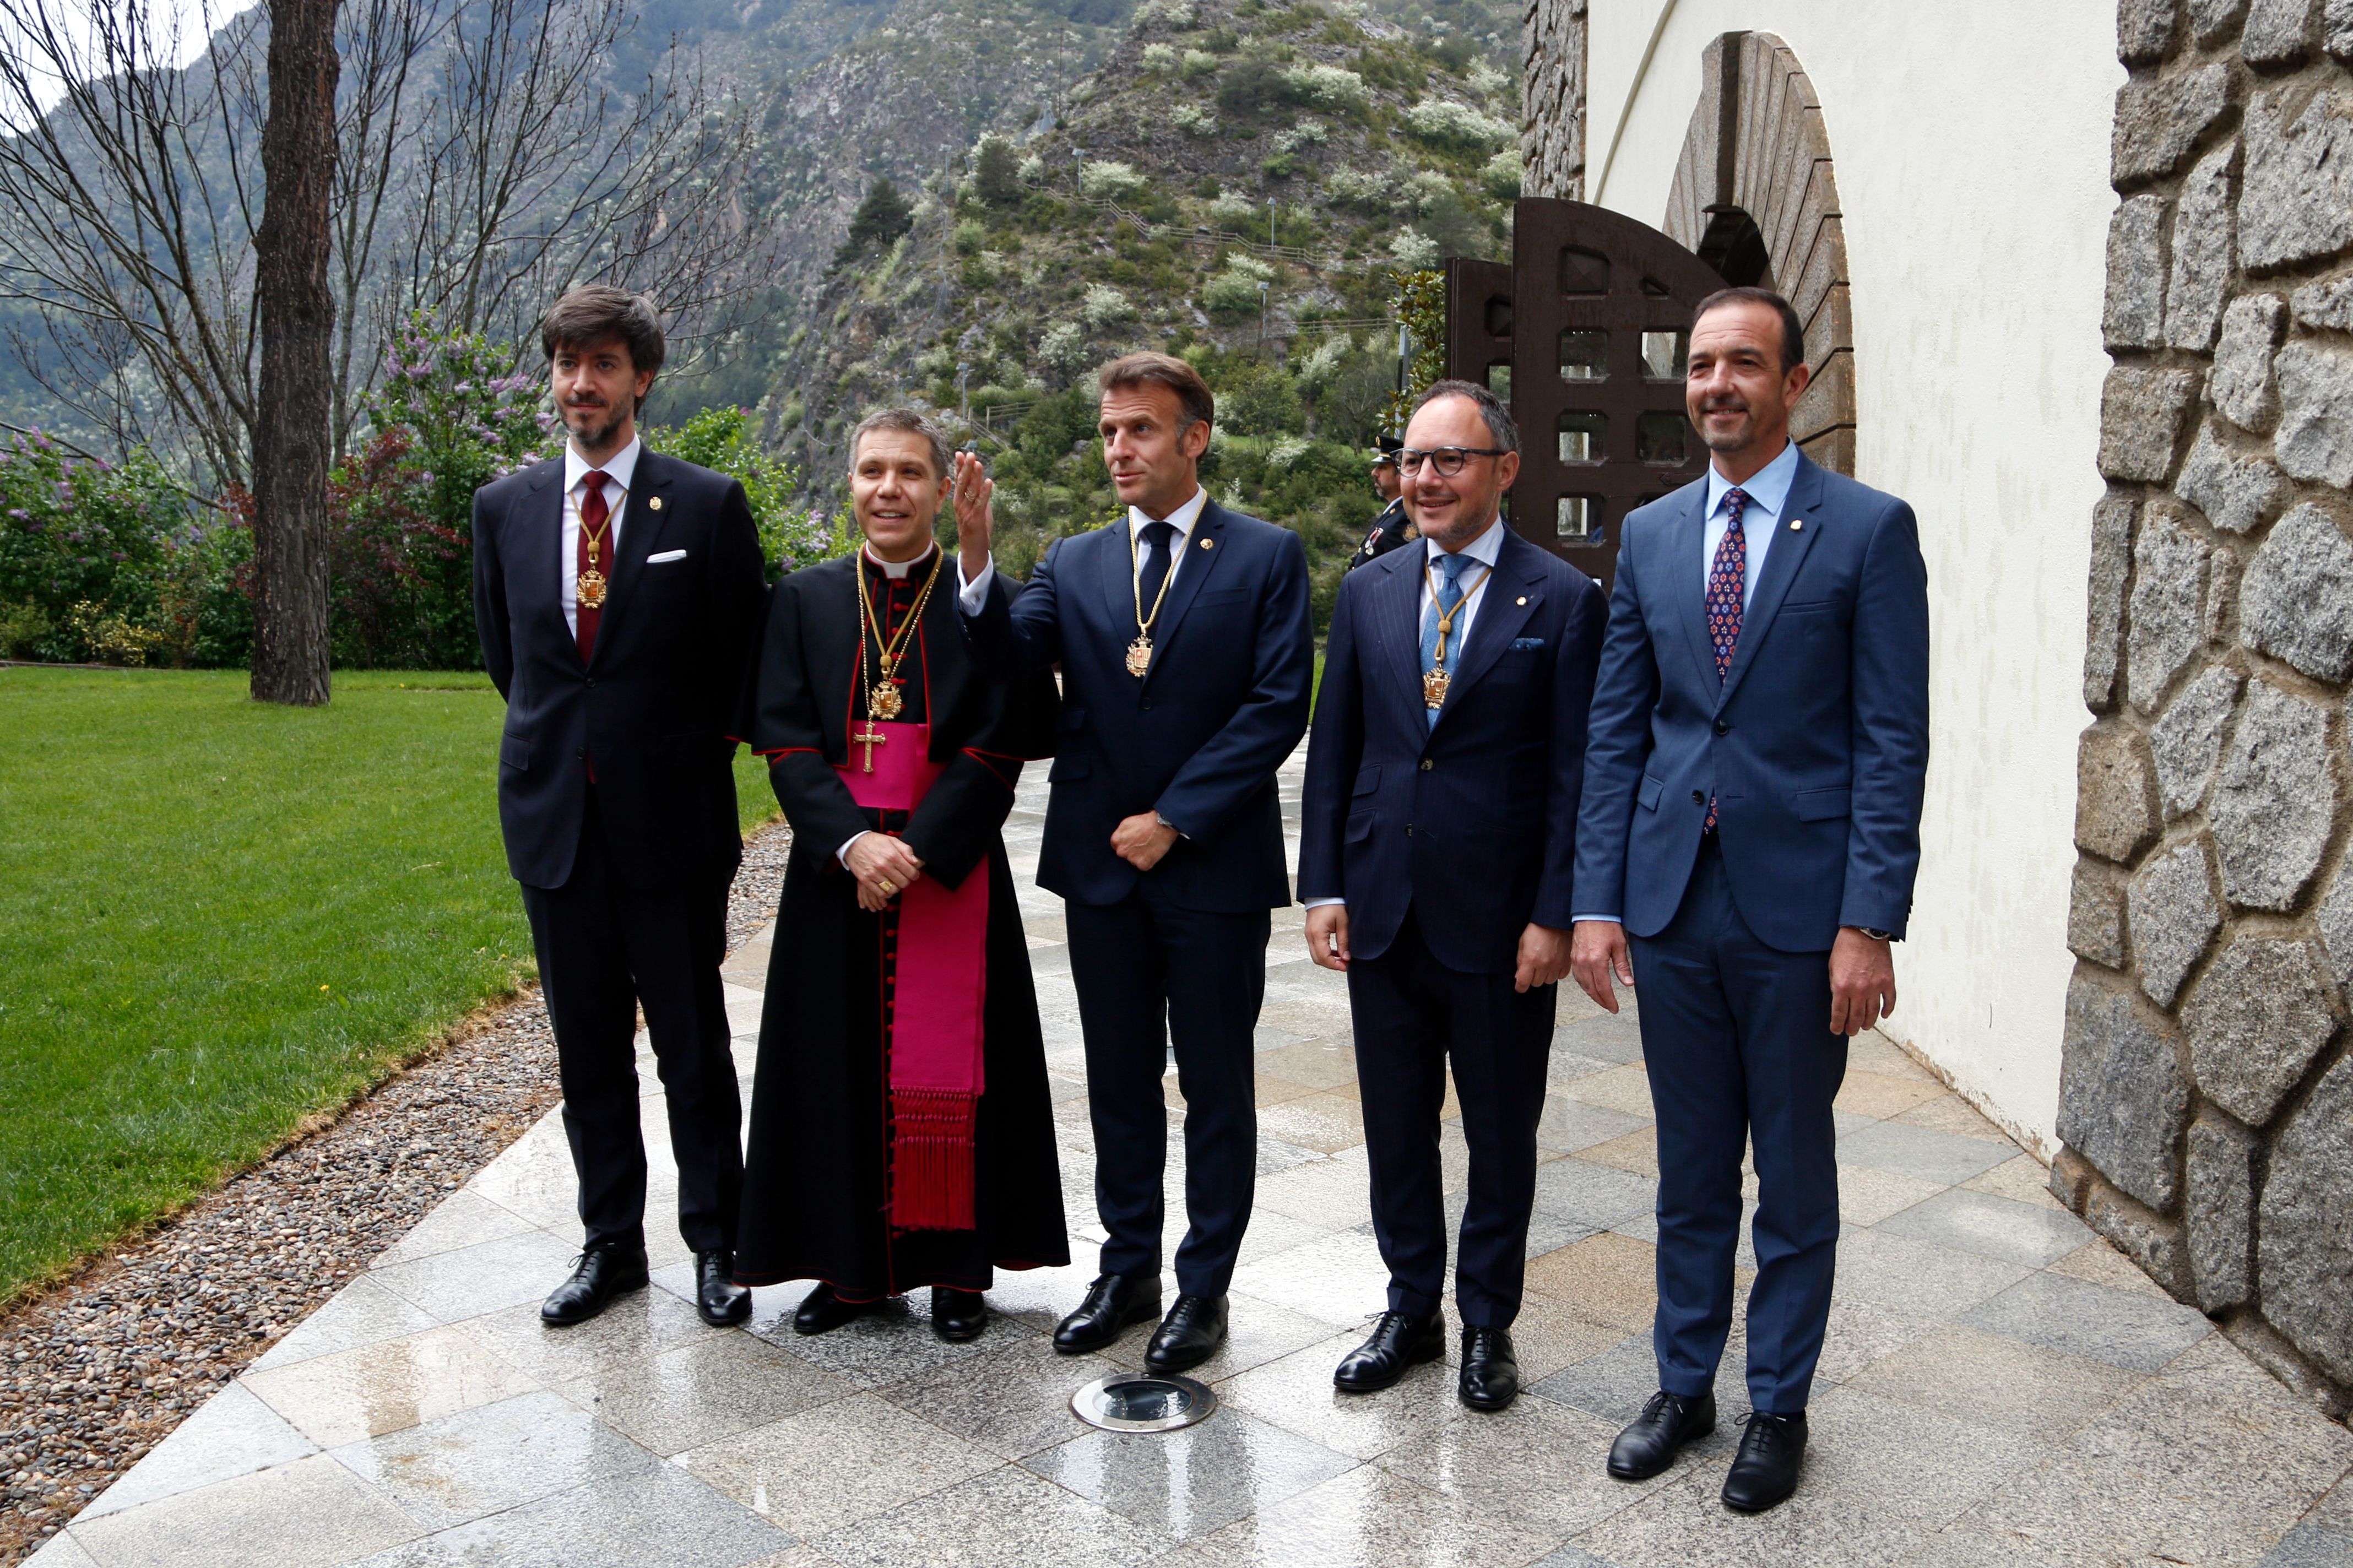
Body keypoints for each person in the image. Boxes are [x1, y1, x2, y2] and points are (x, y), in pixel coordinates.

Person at [1570, 286, 1929, 1512]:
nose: (1717, 383)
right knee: (1687, 1168)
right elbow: (1618, 732)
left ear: (1795, 383)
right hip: (1671, 902)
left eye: (1743, 364)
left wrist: (1867, 918)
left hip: (1798, 908)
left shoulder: (1870, 531)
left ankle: (1779, 1402)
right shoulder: (1656, 531)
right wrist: (1597, 901)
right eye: (1702, 364)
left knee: (1793, 1168)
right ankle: (1683, 1384)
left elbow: (1892, 739)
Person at [949, 352, 1314, 1372]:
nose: (1119, 449)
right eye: (1110, 431)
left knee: (1214, 1086)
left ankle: (1203, 1291)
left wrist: (1176, 816)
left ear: (1194, 437)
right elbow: (1011, 672)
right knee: (1116, 1080)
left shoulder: (1264, 555)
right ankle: (1127, 1270)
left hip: (1210, 866)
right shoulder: (1070, 562)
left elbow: (1279, 703)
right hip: (1100, 868)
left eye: (1141, 430)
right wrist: (977, 561)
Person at [1298, 380, 1605, 1413]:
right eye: (1415, 460)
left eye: (1451, 459)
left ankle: (1487, 1324)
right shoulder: (1372, 590)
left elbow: (1576, 774)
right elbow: (1335, 747)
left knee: (1499, 1131)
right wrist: (1324, 884)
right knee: (1394, 1124)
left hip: (1500, 921)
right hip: (1382, 905)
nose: (1426, 478)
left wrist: (1556, 914)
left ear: (1503, 471)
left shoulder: (1561, 600)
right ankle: (1409, 1310)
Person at [733, 409, 1067, 1341]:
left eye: (910, 473)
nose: (889, 489)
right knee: (829, 1066)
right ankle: (851, 1271)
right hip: (834, 873)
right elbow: (786, 739)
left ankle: (957, 1270)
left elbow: (1008, 733)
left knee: (962, 1069)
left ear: (939, 490)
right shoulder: (801, 599)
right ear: (849, 484)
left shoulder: (974, 603)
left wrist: (916, 846)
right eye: (872, 470)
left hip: (947, 869)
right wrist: (852, 843)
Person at [471, 285, 767, 1330]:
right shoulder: (504, 509)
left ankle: (718, 1240)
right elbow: (515, 664)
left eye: (601, 364)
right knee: (586, 1045)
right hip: (556, 823)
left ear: (640, 378)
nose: (579, 384)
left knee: (691, 1043)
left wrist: (679, 754)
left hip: (671, 823)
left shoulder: (705, 504)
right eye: (565, 363)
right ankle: (610, 1244)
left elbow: (745, 657)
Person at [1343, 435, 1414, 572]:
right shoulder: (1394, 512)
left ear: (1401, 474)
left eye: (1382, 467)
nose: (1374, 473)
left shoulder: (1405, 519)